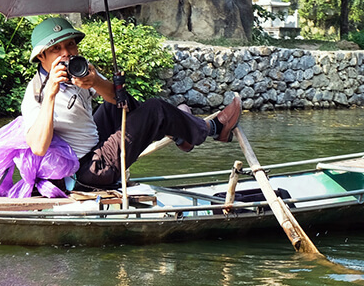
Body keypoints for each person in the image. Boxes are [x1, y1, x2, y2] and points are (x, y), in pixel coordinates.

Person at [21, 17, 241, 188]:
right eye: (56, 50)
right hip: (86, 170)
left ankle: (179, 131)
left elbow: (119, 100)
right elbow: (39, 147)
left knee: (114, 105)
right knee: (155, 109)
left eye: (71, 45)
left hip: (95, 146)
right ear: (41, 57)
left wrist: (95, 81)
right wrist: (51, 93)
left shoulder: (79, 69)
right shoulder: (35, 93)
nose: (66, 54)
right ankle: (213, 129)